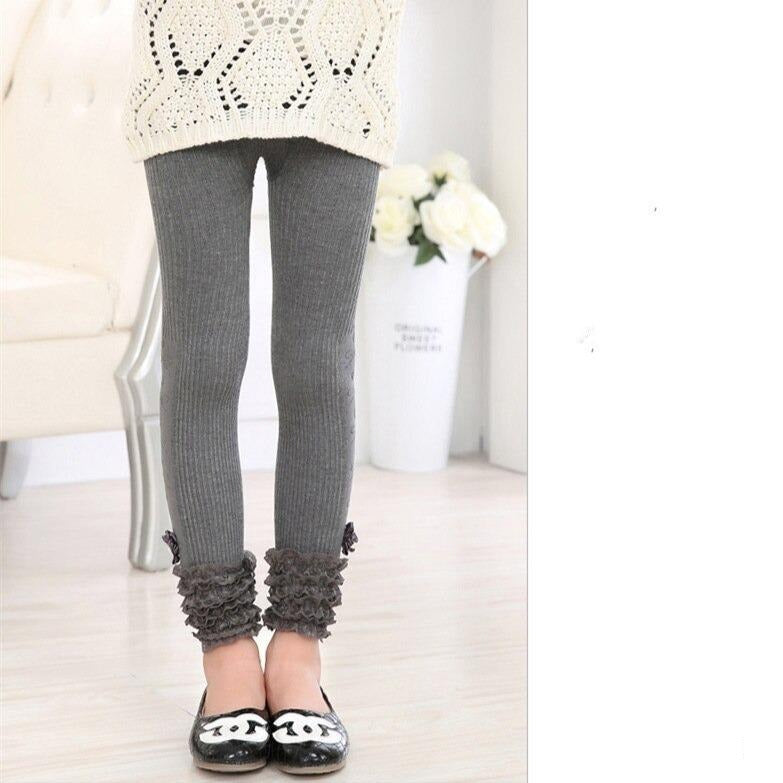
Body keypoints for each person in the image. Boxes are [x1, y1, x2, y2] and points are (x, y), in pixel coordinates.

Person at [122, 1, 405, 773]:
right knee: (203, 361)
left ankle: (298, 654)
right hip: (191, 45)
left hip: (341, 46)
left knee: (317, 362)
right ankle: (226, 658)